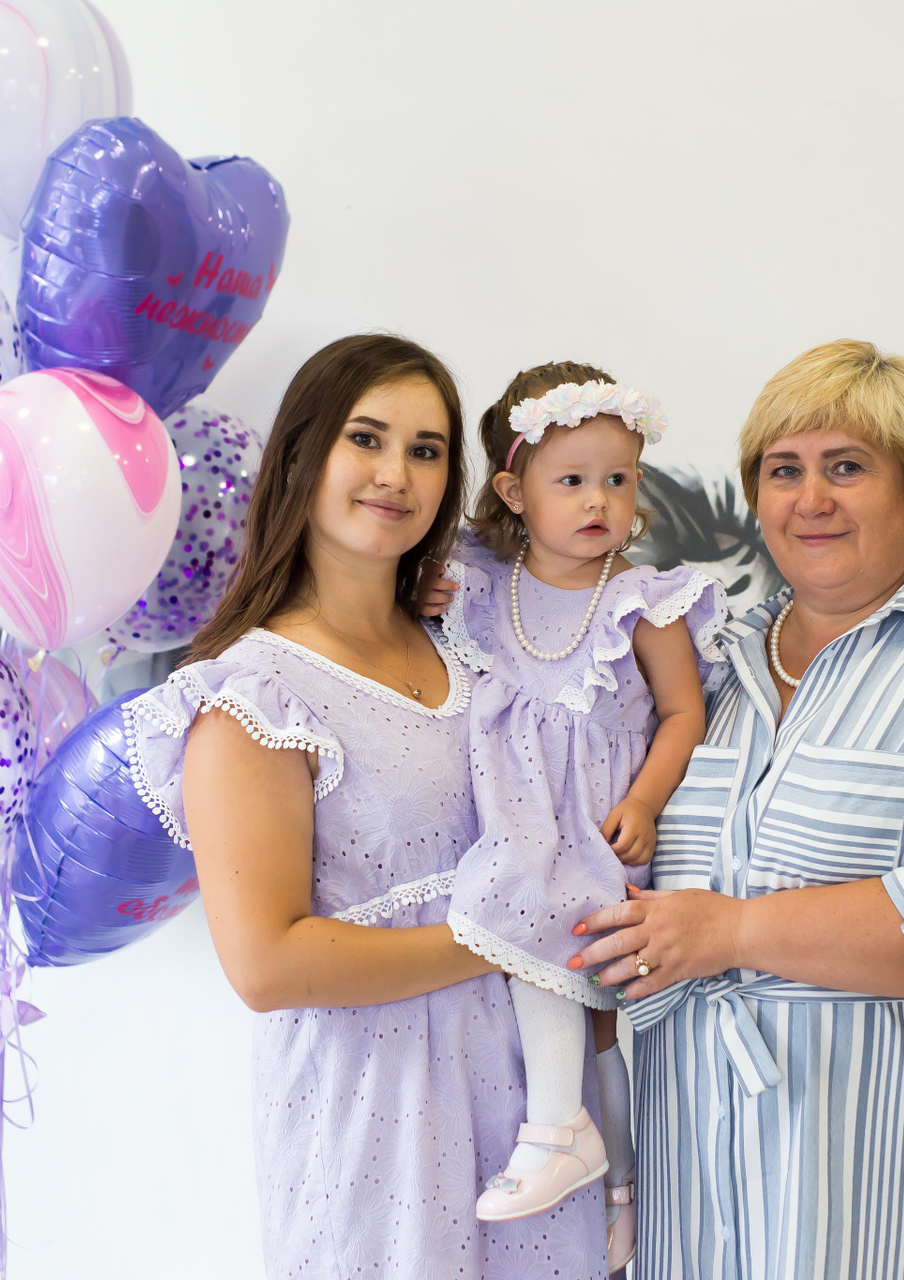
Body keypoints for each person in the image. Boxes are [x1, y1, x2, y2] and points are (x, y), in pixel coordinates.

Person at [569, 339, 904, 1278]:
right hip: (700, 1160)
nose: (810, 500)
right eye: (784, 471)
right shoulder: (708, 669)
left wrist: (729, 931)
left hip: (898, 1162)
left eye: (846, 468)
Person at [124, 335, 607, 1278]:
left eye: (427, 451)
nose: (396, 474)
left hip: (535, 1112)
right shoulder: (255, 695)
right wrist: (508, 935)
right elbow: (267, 964)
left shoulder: (474, 646)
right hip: (380, 1120)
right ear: (300, 457)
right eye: (367, 438)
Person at [434, 363, 723, 1268]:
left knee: (571, 974)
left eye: (618, 479)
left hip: (592, 827)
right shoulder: (483, 581)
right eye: (572, 480)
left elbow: (683, 713)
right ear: (514, 492)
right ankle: (613, 1188)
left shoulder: (642, 601)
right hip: (510, 816)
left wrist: (644, 800)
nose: (599, 501)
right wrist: (424, 596)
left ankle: (568, 1136)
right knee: (580, 1013)